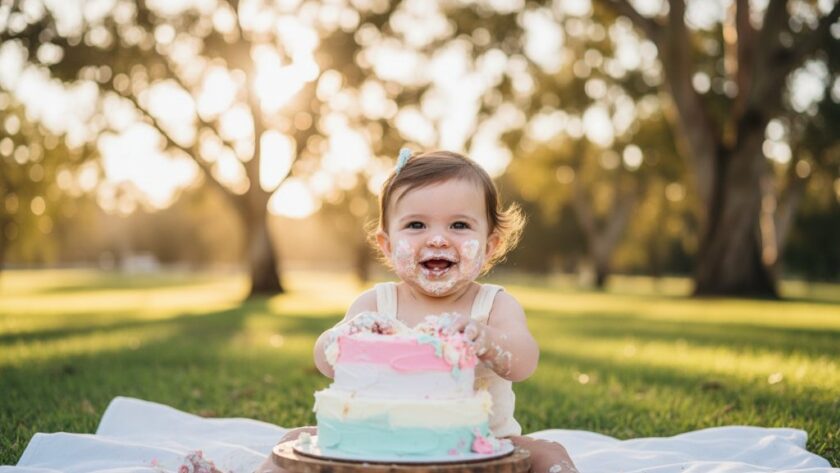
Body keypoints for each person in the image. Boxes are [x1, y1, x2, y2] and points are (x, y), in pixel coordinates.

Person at [258, 149, 578, 473]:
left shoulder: (493, 306)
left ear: (489, 245)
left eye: (459, 224)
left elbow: (524, 362)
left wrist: (488, 341)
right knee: (293, 441)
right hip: (375, 447)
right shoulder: (376, 305)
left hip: (484, 450)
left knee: (549, 453)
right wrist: (347, 334)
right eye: (416, 224)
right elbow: (325, 360)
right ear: (386, 244)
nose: (438, 239)